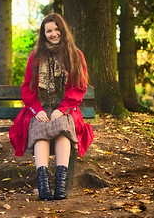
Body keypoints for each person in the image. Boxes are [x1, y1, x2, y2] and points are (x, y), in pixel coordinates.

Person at [9, 13, 94, 201]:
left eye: (57, 29)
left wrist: (62, 109)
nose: (53, 33)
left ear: (62, 30)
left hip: (66, 108)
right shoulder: (36, 57)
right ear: (43, 33)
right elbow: (28, 87)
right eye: (49, 31)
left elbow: (79, 87)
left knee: (63, 129)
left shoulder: (75, 55)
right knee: (40, 130)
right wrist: (37, 109)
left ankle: (60, 185)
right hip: (40, 107)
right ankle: (43, 185)